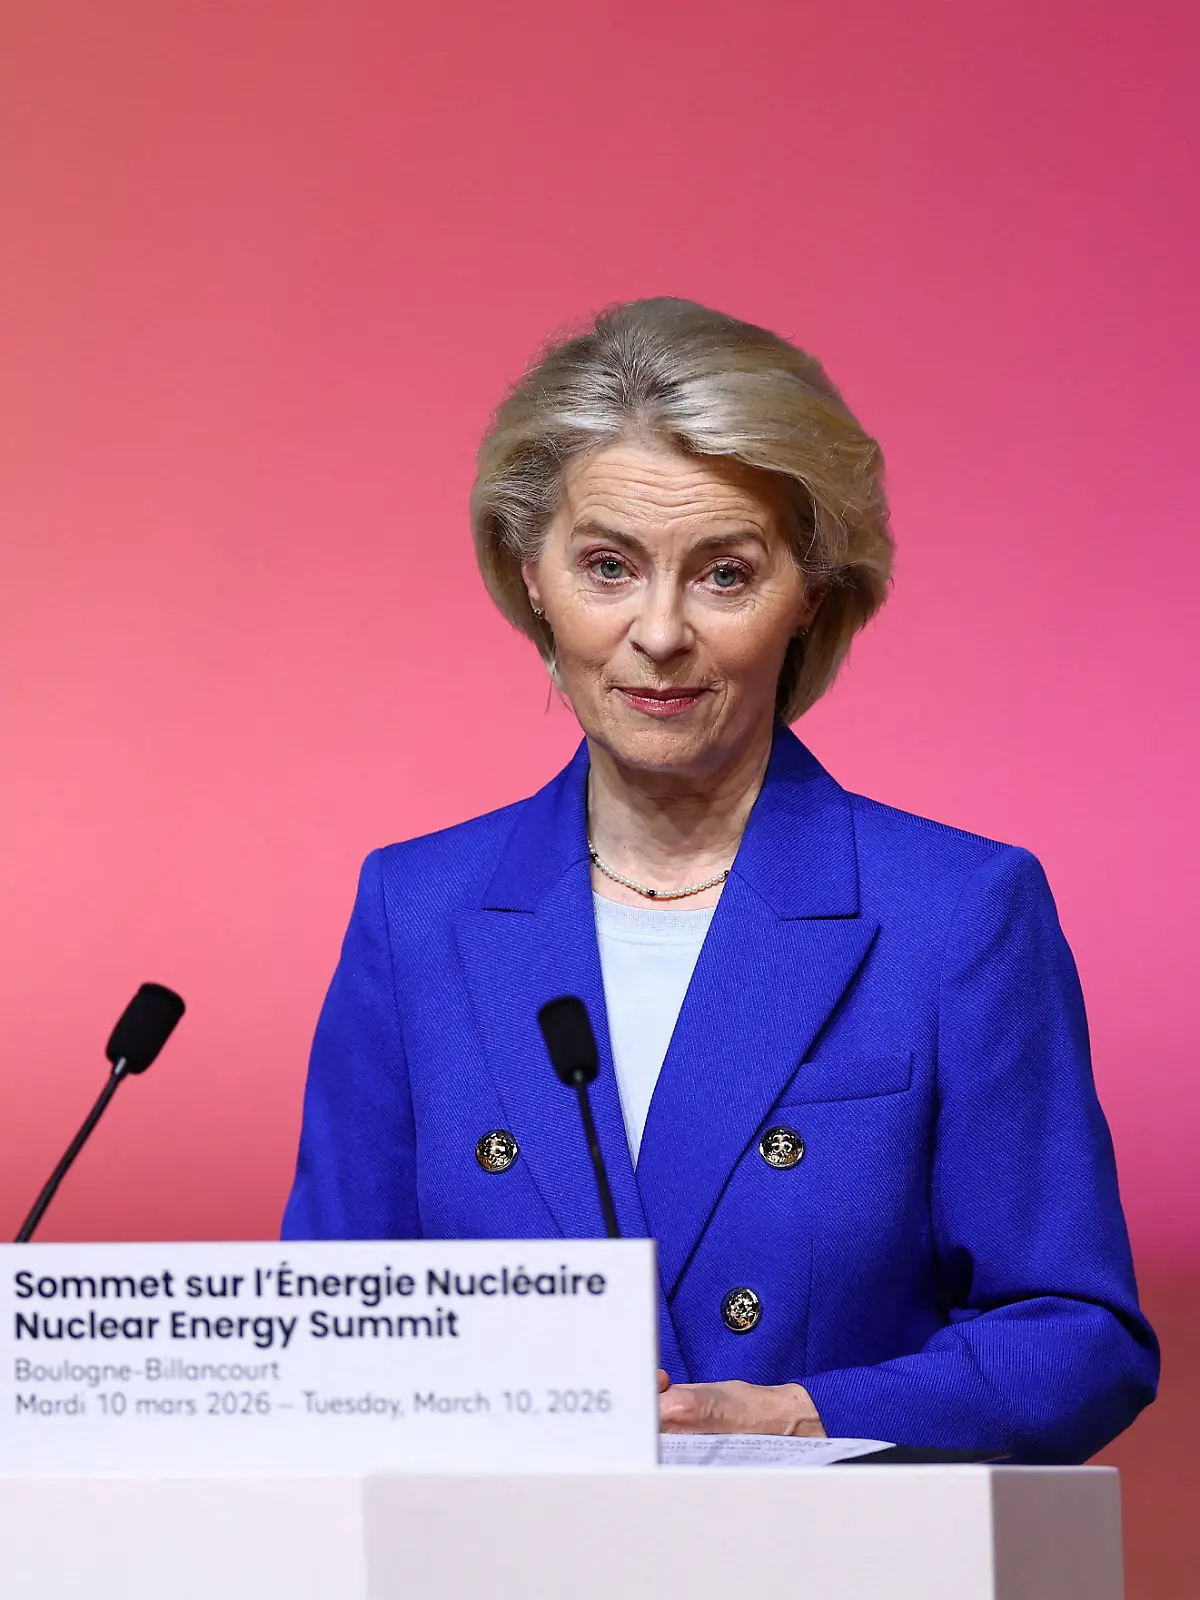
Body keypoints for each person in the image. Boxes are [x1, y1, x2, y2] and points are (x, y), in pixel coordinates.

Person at [282, 297, 1158, 1461]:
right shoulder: (419, 912)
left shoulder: (956, 914)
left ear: (812, 596)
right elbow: (325, 1336)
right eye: (608, 565)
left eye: (724, 575)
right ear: (528, 572)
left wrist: (800, 1416)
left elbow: (1078, 1337)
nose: (658, 631)